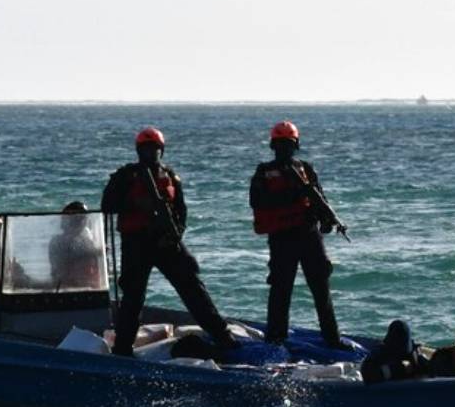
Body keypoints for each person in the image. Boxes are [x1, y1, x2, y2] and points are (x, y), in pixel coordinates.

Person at [101, 126, 237, 356]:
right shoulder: (126, 176)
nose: (150, 153)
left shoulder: (171, 176)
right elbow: (108, 205)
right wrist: (137, 205)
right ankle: (123, 348)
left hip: (166, 242)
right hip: (136, 243)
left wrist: (175, 234)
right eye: (145, 148)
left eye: (154, 148)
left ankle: (223, 336)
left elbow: (180, 212)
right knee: (133, 297)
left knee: (193, 288)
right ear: (138, 150)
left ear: (161, 150)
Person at [249, 120, 343, 347]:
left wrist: (326, 220)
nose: (284, 149)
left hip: (309, 235)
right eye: (280, 144)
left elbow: (320, 198)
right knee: (281, 290)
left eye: (289, 144)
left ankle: (332, 338)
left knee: (321, 288)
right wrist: (293, 194)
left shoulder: (306, 169)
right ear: (273, 146)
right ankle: (275, 339)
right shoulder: (264, 172)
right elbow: (257, 202)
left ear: (296, 145)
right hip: (282, 238)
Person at [48, 200, 102, 291]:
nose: (84, 221)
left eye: (84, 218)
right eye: (81, 218)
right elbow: (70, 258)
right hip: (66, 288)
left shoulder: (86, 240)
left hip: (89, 287)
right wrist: (96, 252)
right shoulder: (58, 241)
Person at [360, 320, 431, 384]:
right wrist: (398, 368)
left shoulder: (414, 354)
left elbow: (431, 370)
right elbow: (367, 374)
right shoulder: (379, 354)